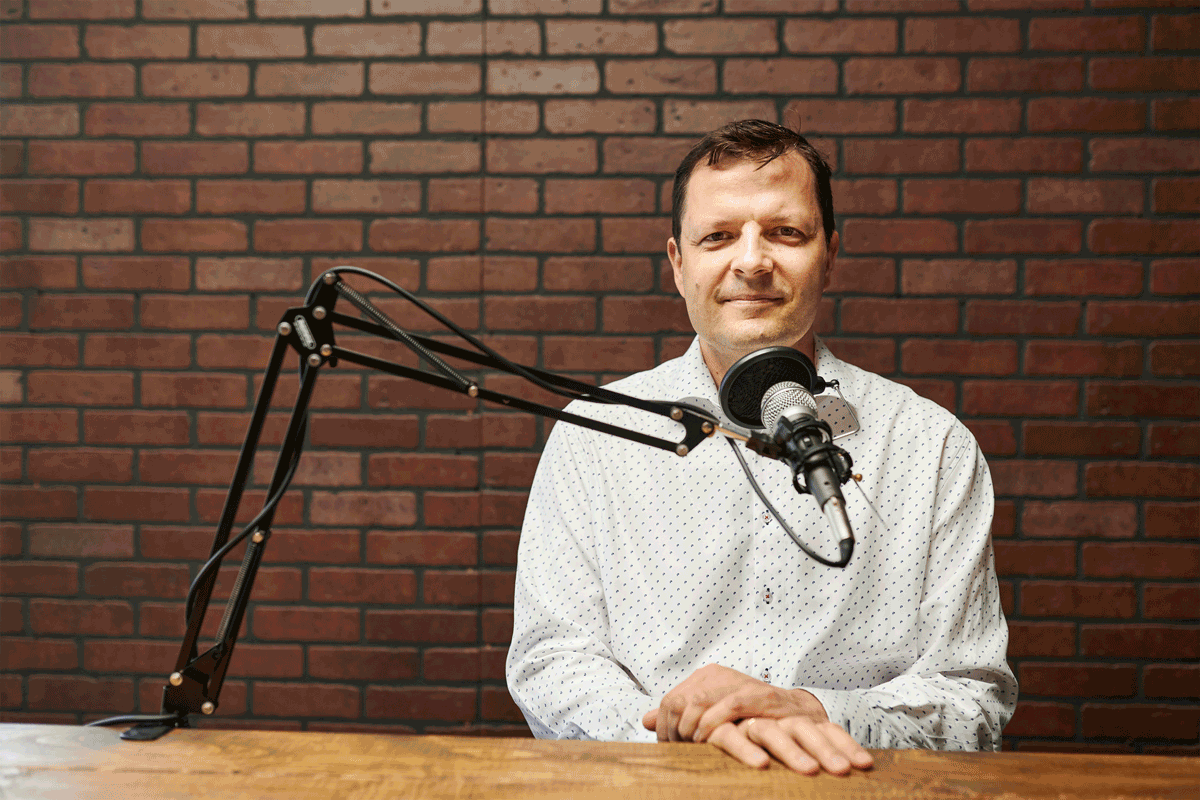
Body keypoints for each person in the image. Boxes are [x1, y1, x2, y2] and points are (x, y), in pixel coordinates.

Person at [506, 119, 1016, 775]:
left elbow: (972, 699)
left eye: (786, 233)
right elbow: (551, 662)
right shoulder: (594, 435)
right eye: (718, 236)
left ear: (829, 255)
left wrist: (816, 712)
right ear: (678, 263)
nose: (751, 261)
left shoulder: (933, 446)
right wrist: (675, 739)